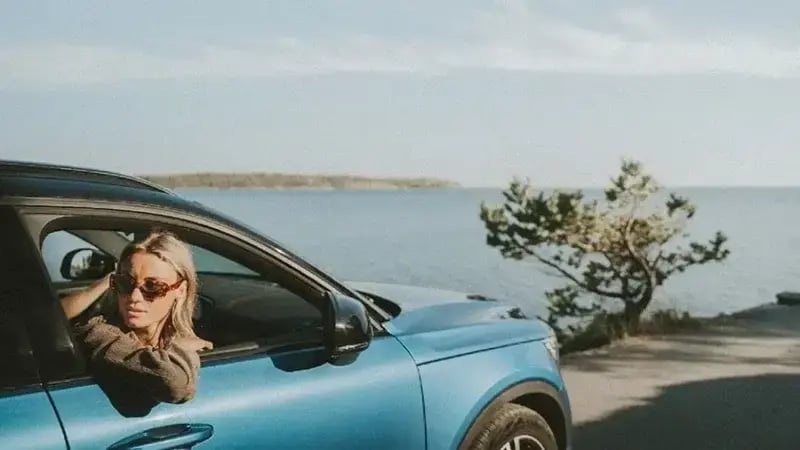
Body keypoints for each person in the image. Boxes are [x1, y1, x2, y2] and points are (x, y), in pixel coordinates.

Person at [65, 230, 212, 406]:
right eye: (125, 282)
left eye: (152, 286)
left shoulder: (174, 334)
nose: (134, 297)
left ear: (180, 290)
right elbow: (175, 385)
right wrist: (180, 348)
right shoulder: (99, 334)